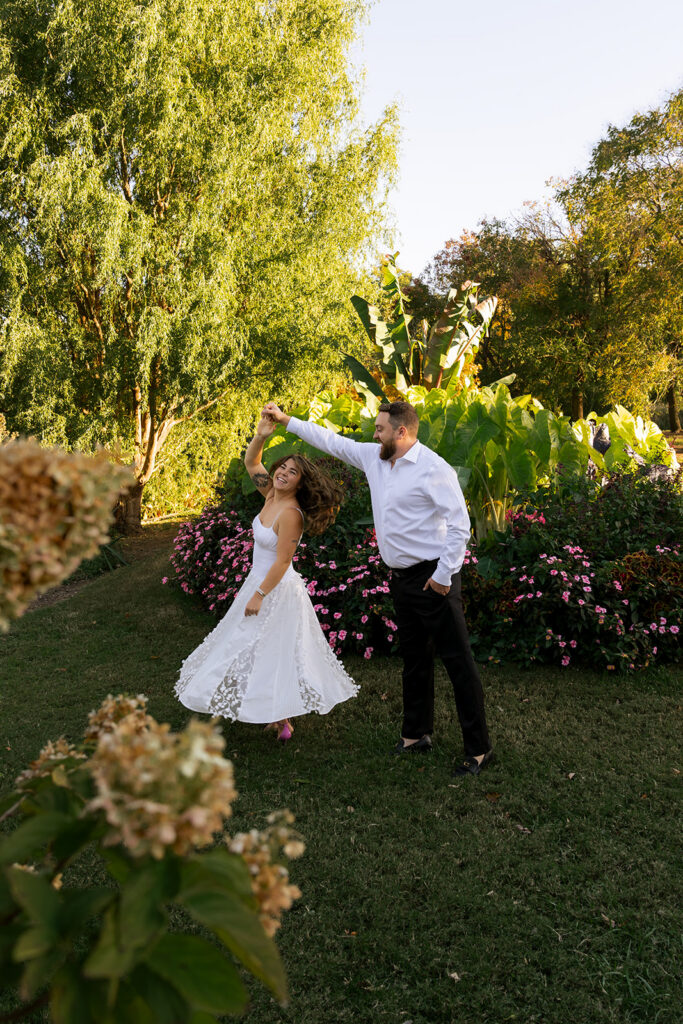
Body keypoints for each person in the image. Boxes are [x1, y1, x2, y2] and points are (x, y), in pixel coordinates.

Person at [262, 399, 492, 776]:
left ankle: (479, 749)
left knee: (458, 663)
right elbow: (331, 441)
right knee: (414, 659)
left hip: (435, 578)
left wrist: (442, 576)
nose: (374, 434)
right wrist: (287, 421)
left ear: (401, 432)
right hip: (402, 579)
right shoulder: (375, 458)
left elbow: (459, 526)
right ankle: (416, 734)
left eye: (380, 429)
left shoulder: (434, 469)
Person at [175, 413, 358, 740]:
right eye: (282, 468)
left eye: (292, 472)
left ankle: (281, 717)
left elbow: (283, 561)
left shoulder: (291, 514)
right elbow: (251, 462)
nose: (283, 474)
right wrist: (261, 434)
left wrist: (259, 594)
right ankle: (279, 717)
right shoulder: (272, 495)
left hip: (276, 588)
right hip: (258, 583)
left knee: (269, 648)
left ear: (300, 483)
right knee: (260, 646)